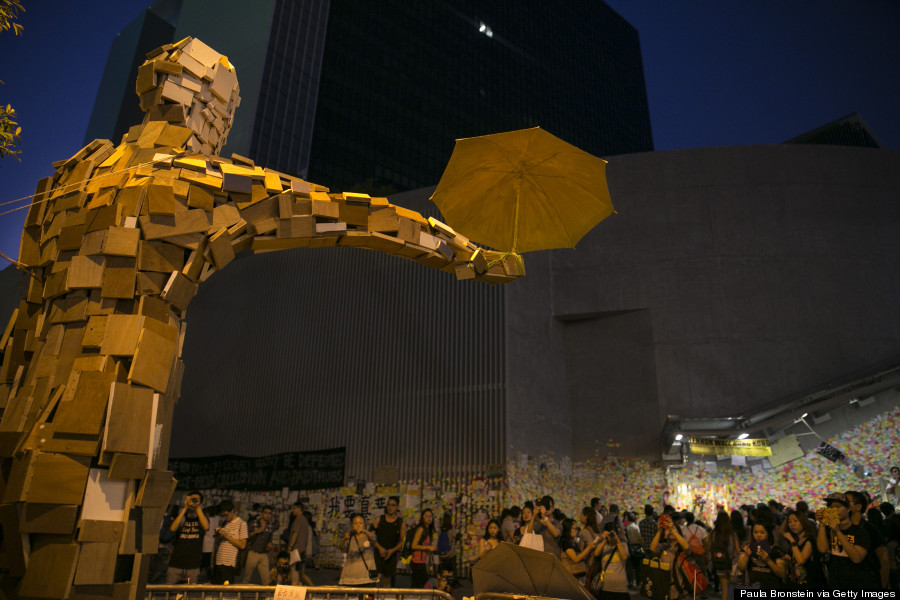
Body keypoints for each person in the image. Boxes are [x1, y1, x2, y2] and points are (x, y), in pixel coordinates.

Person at [816, 492, 872, 588]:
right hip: (835, 584)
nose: (834, 510)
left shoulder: (860, 532)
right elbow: (822, 549)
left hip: (858, 584)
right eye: (831, 507)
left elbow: (857, 558)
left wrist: (837, 532)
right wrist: (821, 524)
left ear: (848, 509)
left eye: (838, 506)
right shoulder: (828, 530)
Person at [846, 490, 889, 587]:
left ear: (858, 506)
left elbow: (884, 559)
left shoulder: (870, 529)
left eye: (846, 502)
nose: (843, 505)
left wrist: (882, 586)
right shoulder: (840, 530)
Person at [166, 491, 210, 584]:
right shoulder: (182, 517)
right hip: (176, 564)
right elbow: (173, 528)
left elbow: (206, 527)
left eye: (196, 500)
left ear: (201, 503)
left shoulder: (201, 518)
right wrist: (185, 508)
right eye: (191, 499)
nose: (193, 501)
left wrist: (197, 507)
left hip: (193, 566)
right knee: (170, 594)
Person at [650, 512, 691, 599]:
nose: (670, 531)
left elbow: (687, 548)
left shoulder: (680, 548)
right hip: (664, 588)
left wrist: (673, 530)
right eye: (667, 529)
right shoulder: (662, 546)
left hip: (679, 590)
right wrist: (660, 531)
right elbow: (652, 548)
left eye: (672, 529)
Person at [780, 509, 825, 587]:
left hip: (811, 583)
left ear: (803, 522)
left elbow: (801, 560)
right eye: (789, 522)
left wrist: (792, 540)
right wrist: (789, 562)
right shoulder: (797, 541)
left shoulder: (810, 541)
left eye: (795, 521)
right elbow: (796, 564)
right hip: (797, 581)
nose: (792, 524)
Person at [736, 522, 786, 589]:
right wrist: (747, 555)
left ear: (768, 533)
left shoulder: (776, 551)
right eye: (755, 532)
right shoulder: (748, 548)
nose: (758, 535)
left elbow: (782, 574)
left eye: (762, 532)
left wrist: (768, 560)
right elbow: (741, 568)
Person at [371, 495, 405, 587]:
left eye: (393, 505)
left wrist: (392, 551)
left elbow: (402, 542)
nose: (390, 507)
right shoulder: (379, 519)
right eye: (389, 505)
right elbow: (371, 537)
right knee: (376, 580)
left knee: (387, 581)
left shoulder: (400, 523)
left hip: (391, 555)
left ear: (397, 507)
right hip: (378, 553)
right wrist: (380, 548)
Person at [590, 522, 630, 600]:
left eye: (613, 534)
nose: (611, 537)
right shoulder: (604, 545)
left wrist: (618, 542)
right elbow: (596, 553)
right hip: (605, 587)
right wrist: (604, 540)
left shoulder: (622, 544)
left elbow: (624, 557)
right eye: (610, 534)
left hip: (621, 588)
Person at [212, 500, 248, 584]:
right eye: (222, 515)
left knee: (226, 591)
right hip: (218, 560)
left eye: (226, 515)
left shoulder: (241, 524)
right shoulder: (225, 523)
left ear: (232, 511)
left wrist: (226, 535)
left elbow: (242, 545)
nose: (224, 517)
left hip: (229, 563)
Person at [339, 513, 378, 586]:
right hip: (351, 576)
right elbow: (342, 549)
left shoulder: (368, 536)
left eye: (360, 523)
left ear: (364, 524)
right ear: (352, 525)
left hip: (366, 576)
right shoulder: (350, 538)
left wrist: (364, 531)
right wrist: (344, 539)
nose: (358, 525)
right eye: (355, 523)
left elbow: (373, 538)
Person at [242, 505, 278, 584]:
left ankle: (265, 594)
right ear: (262, 513)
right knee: (247, 577)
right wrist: (256, 532)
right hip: (253, 552)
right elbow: (246, 536)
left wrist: (269, 544)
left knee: (266, 578)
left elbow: (270, 539)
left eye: (269, 513)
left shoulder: (270, 526)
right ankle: (243, 593)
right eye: (265, 513)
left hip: (263, 554)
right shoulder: (254, 523)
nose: (267, 515)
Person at [707, 511, 738, 600]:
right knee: (733, 588)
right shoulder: (732, 533)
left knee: (724, 588)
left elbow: (709, 547)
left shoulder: (713, 534)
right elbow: (737, 549)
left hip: (719, 562)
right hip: (733, 562)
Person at [288, 502, 314, 586]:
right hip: (302, 550)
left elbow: (295, 534)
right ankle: (313, 588)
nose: (293, 510)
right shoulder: (304, 520)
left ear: (299, 509)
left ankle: (295, 588)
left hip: (296, 550)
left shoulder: (298, 519)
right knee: (301, 574)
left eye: (294, 508)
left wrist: (290, 547)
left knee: (295, 572)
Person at [410, 508, 437, 588]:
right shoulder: (421, 529)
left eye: (430, 516)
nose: (429, 518)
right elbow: (413, 545)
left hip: (421, 561)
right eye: (426, 516)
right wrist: (428, 548)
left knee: (417, 585)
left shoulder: (427, 530)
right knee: (423, 584)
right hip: (417, 562)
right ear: (422, 518)